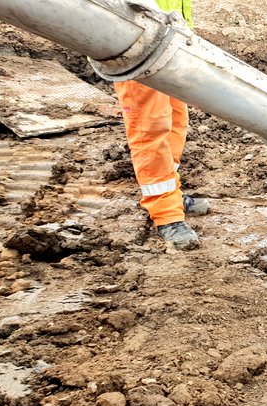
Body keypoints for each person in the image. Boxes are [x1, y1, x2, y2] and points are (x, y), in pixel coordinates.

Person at [114, 0, 209, 250]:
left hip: (170, 41)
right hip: (136, 42)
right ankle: (167, 214)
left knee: (176, 122)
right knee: (150, 131)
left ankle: (173, 195)